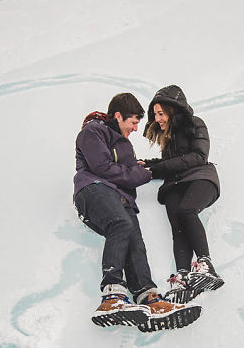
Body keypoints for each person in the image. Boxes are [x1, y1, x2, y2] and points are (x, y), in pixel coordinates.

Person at [73, 92, 201, 331]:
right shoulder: (93, 132)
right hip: (94, 190)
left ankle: (148, 298)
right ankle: (112, 297)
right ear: (118, 115)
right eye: (133, 122)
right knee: (120, 225)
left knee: (136, 242)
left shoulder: (125, 145)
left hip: (122, 198)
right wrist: (141, 173)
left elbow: (134, 170)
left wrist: (146, 169)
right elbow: (102, 167)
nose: (135, 128)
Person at [142, 85, 224, 304]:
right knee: (177, 226)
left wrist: (158, 169)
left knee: (187, 211)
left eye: (160, 113)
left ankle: (205, 265)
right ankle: (183, 276)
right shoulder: (167, 136)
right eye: (155, 114)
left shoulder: (196, 124)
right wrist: (147, 166)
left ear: (172, 109)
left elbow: (198, 156)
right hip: (175, 184)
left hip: (200, 177)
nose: (157, 119)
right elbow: (171, 162)